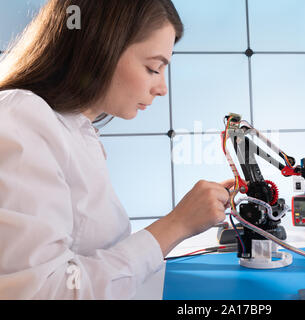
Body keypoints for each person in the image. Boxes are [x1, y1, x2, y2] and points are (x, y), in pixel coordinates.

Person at [0, 0, 233, 299]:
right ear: (98, 48)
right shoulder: (22, 117)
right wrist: (177, 224)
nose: (162, 88)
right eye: (153, 68)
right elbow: (45, 290)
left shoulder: (76, 130)